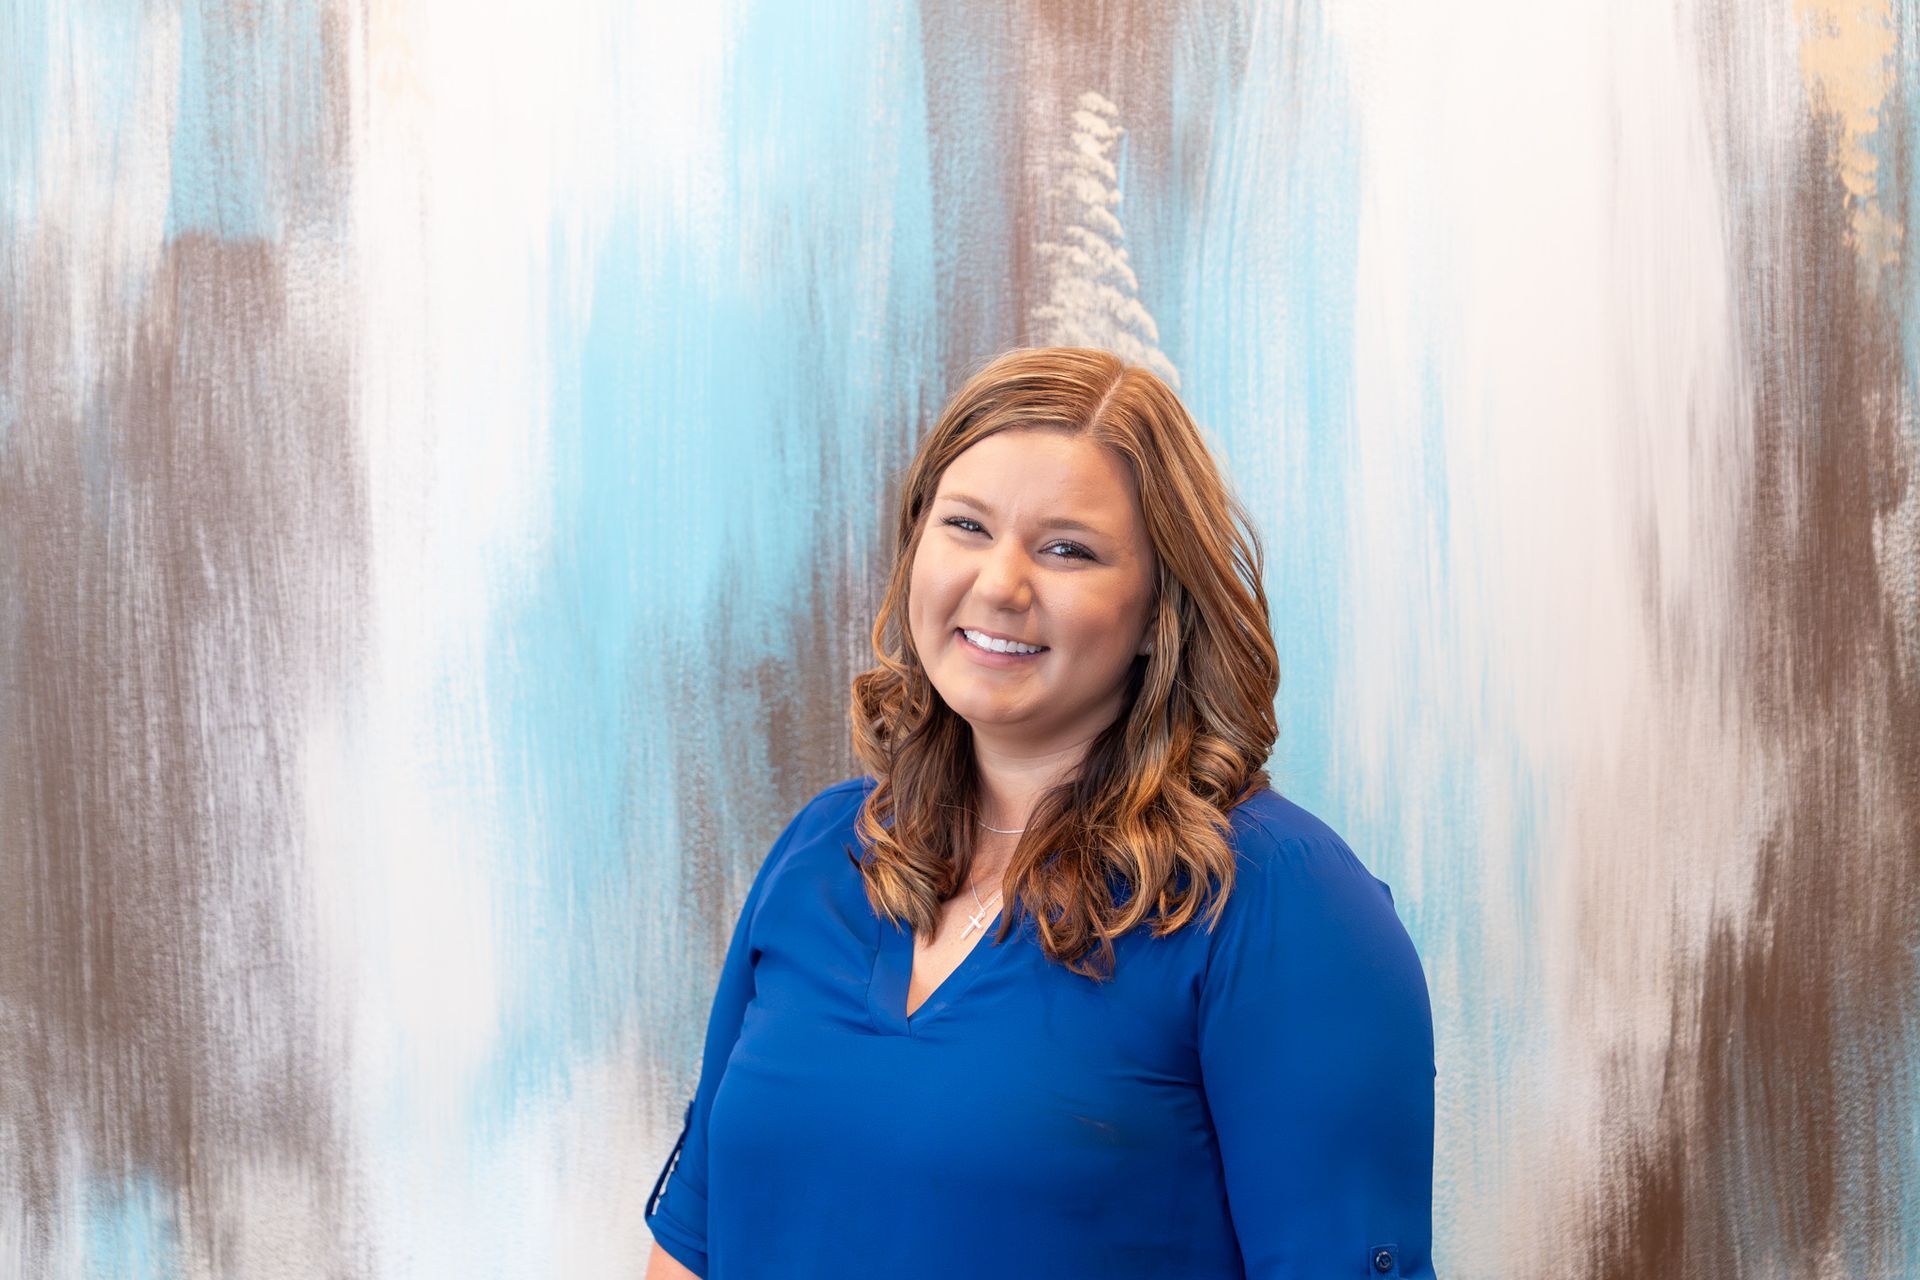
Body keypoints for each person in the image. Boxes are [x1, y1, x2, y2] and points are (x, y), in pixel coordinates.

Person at [644, 347, 1438, 1278]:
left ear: (1157, 613)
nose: (1000, 586)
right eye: (967, 526)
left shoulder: (1277, 904)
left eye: (1069, 548)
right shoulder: (825, 852)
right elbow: (689, 1251)